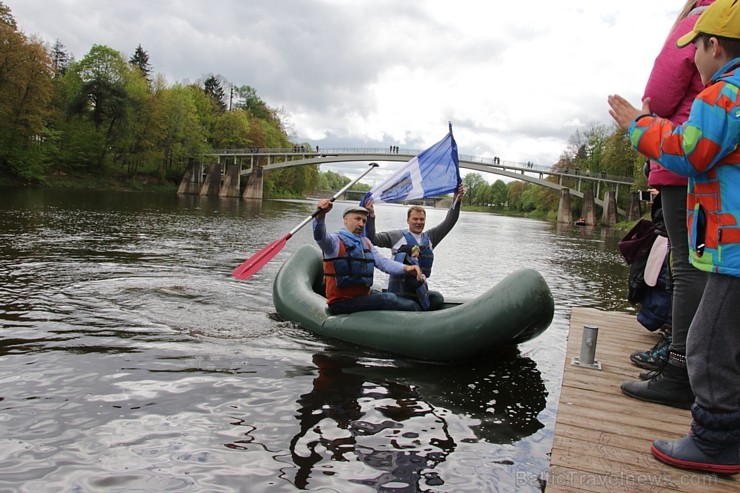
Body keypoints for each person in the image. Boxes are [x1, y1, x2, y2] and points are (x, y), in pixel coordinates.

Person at [607, 0, 740, 474]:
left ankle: (716, 441)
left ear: (714, 46)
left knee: (706, 342)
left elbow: (687, 152)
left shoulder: (721, 96)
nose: (693, 58)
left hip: (732, 250)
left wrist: (636, 125)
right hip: (729, 246)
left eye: (696, 49)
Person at [620, 0, 712, 411]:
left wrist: (640, 124)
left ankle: (679, 369)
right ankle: (696, 363)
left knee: (686, 263)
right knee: (707, 263)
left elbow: (659, 92)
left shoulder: (699, 19)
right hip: (709, 157)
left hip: (682, 153)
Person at [364, 184, 465, 310]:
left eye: (422, 219)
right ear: (408, 220)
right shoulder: (396, 236)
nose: (419, 222)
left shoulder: (430, 237)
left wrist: (457, 200)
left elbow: (450, 222)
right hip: (396, 291)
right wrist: (371, 216)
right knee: (413, 307)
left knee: (437, 298)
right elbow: (372, 239)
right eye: (415, 219)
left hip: (417, 291)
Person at [313, 200, 423, 315]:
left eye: (364, 221)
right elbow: (320, 236)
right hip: (341, 303)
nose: (361, 224)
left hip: (363, 296)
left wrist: (406, 268)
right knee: (388, 298)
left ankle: (418, 314)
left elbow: (383, 263)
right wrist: (320, 216)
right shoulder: (334, 242)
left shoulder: (366, 242)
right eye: (357, 219)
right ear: (345, 220)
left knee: (409, 304)